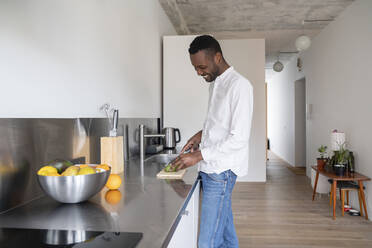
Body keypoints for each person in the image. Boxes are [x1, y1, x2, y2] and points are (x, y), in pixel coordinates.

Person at [171, 35, 253, 248]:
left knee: (208, 240)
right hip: (211, 167)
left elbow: (239, 137)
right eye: (195, 68)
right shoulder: (216, 84)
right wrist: (199, 135)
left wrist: (196, 156)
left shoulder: (240, 86)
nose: (198, 72)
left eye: (201, 67)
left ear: (217, 57)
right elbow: (218, 123)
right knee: (224, 230)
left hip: (221, 171)